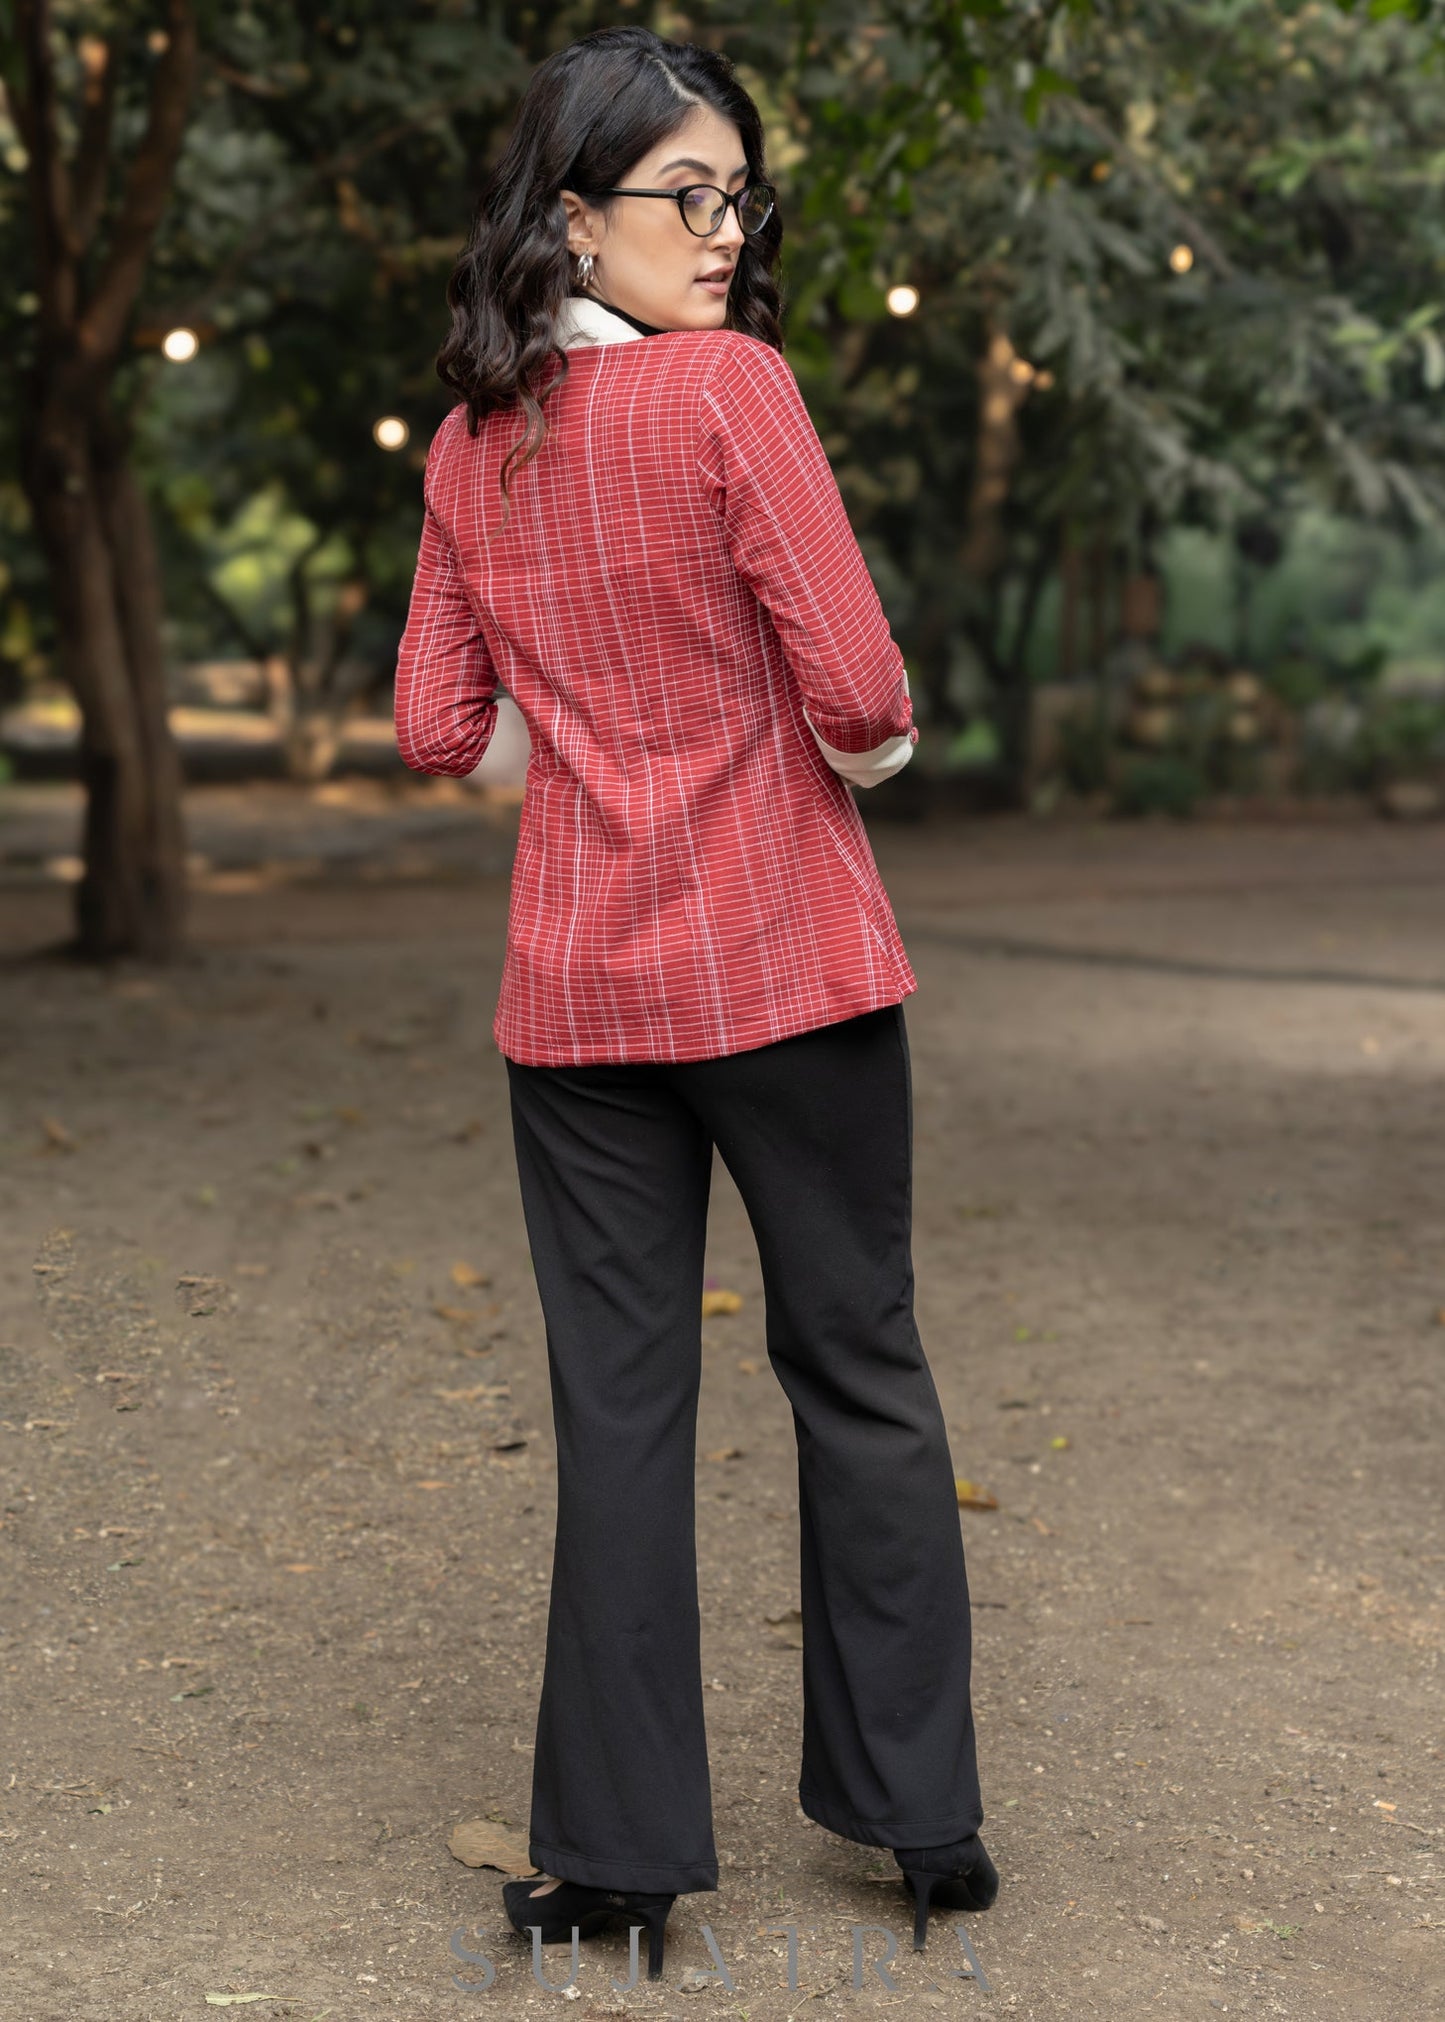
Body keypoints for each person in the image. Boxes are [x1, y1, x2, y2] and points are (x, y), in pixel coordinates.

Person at [392, 23, 998, 1984]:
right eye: (687, 195)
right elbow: (868, 696)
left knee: (622, 1416)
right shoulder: (730, 394)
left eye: (741, 196)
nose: (727, 231)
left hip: (576, 997)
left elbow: (432, 729)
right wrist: (850, 765)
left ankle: (616, 1856)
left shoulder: (473, 448)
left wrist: (577, 708)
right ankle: (915, 1818)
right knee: (862, 1374)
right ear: (572, 214)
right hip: (787, 966)